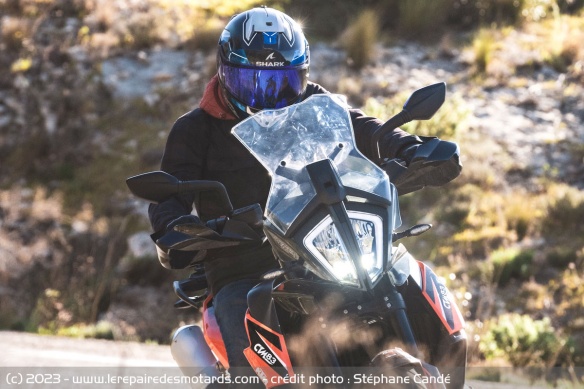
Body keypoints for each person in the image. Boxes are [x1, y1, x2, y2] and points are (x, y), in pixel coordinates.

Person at [148, 5, 428, 385]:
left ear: (301, 76)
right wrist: (177, 227)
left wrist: (407, 147)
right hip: (243, 263)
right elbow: (169, 194)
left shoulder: (315, 104)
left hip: (324, 247)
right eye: (252, 82)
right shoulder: (194, 130)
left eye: (279, 83)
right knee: (239, 311)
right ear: (225, 73)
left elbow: (365, 128)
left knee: (401, 277)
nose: (265, 96)